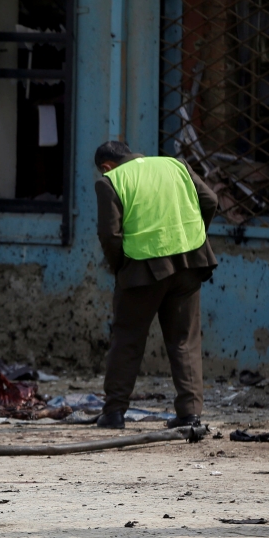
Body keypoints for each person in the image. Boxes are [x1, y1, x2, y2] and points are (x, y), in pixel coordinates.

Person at [93, 141, 218, 430]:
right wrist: (194, 236)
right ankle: (190, 415)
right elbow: (210, 200)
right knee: (185, 340)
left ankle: (114, 413)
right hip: (190, 262)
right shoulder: (177, 165)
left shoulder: (110, 181)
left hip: (141, 269)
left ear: (106, 166)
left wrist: (120, 268)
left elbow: (110, 235)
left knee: (127, 339)